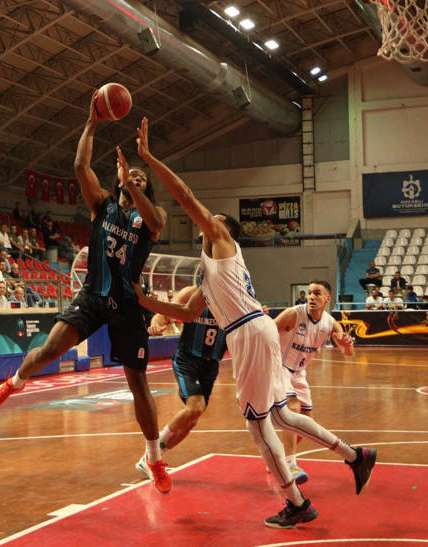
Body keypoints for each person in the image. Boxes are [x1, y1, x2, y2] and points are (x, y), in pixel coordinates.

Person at [129, 115, 376, 528]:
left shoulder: (224, 244)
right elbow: (189, 314)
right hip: (249, 334)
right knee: (279, 417)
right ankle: (355, 455)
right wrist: (144, 300)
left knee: (258, 426)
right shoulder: (211, 273)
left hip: (249, 333)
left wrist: (150, 158)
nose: (209, 220)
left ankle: (297, 503)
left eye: (216, 219)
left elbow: (186, 196)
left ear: (225, 230)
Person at [0, 94, 173, 495]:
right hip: (92, 296)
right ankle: (14, 382)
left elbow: (155, 216)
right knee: (52, 348)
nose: (136, 179)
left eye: (142, 178)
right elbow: (79, 166)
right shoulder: (103, 207)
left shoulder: (152, 220)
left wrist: (131, 184)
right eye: (131, 176)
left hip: (126, 306)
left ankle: (154, 458)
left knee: (137, 383)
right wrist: (91, 122)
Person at [133, 284, 226, 474]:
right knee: (195, 407)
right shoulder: (192, 293)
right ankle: (152, 457)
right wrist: (155, 322)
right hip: (188, 358)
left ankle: (150, 458)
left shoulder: (232, 299)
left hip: (211, 364)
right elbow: (165, 311)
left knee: (192, 420)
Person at [273, 280, 354, 485]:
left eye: (317, 293)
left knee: (307, 422)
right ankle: (290, 465)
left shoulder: (329, 322)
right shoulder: (294, 313)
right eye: (309, 293)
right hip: (279, 367)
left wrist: (347, 346)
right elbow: (267, 332)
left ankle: (278, 458)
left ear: (327, 298)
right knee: (292, 409)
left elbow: (347, 353)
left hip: (299, 373)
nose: (311, 297)